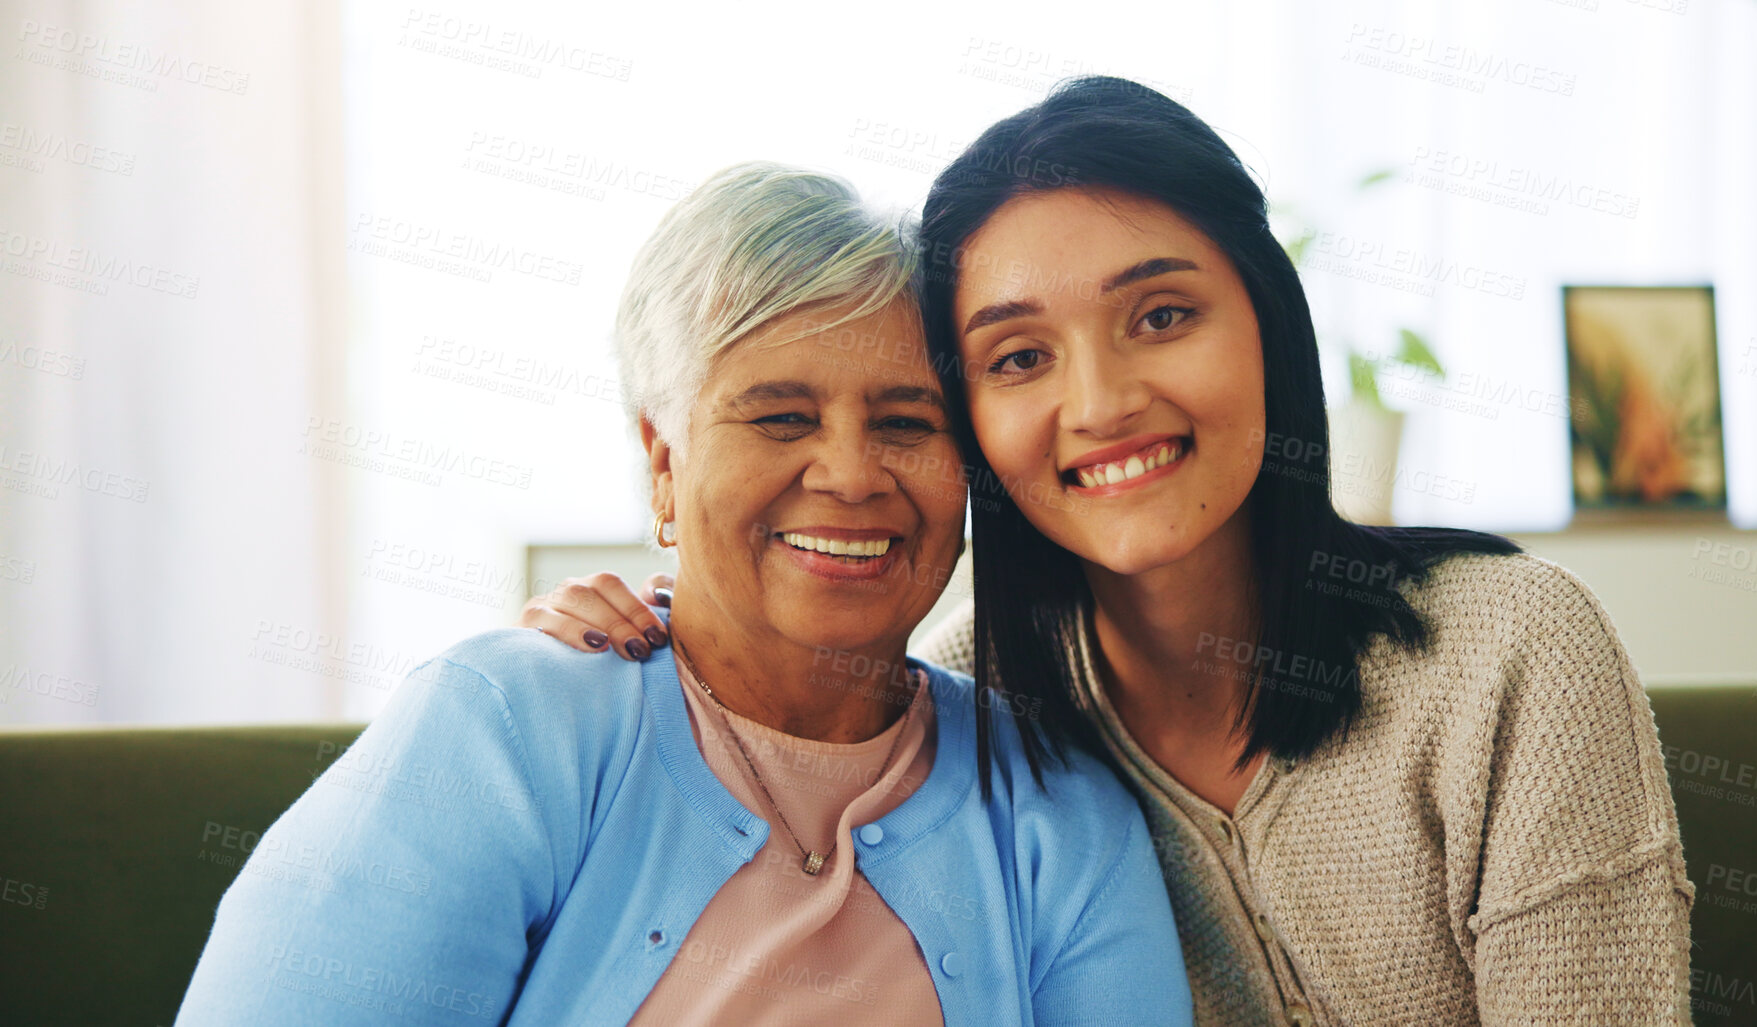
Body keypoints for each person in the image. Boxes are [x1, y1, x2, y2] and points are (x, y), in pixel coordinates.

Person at [524, 80, 1695, 1025]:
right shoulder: (962, 708)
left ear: (1266, 328)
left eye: (1162, 317)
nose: (1102, 403)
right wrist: (622, 650)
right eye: (1019, 357)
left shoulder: (1509, 656)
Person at [176, 161, 1192, 1026]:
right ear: (663, 463)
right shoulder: (506, 727)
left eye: (908, 422)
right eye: (781, 417)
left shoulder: (1062, 809)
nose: (849, 473)